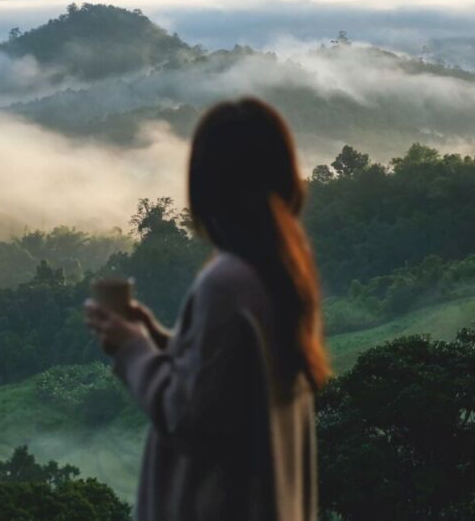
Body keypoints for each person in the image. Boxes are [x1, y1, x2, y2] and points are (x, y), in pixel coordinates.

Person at [85, 98, 330, 520]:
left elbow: (189, 419)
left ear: (206, 186)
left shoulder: (227, 282)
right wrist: (160, 338)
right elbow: (231, 382)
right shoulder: (283, 269)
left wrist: (133, 349)